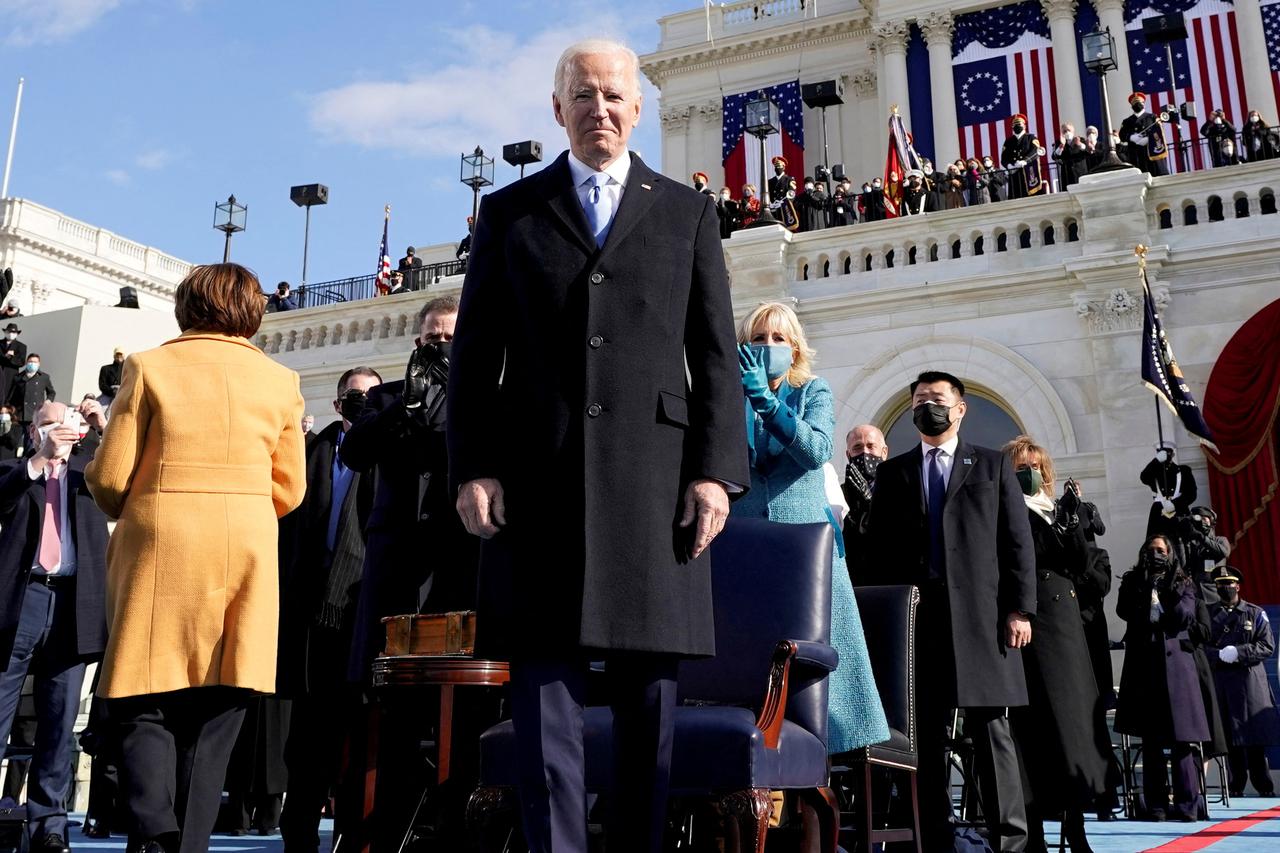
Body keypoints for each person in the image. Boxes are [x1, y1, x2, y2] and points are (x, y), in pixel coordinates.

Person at [446, 38, 748, 853]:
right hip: (536, 491)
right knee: (545, 715)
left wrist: (715, 473)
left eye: (614, 95)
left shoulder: (686, 212)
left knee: (650, 720)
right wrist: (474, 466)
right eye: (583, 95)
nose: (599, 109)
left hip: (656, 493)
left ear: (639, 107)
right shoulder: (510, 213)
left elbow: (716, 355)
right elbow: (473, 357)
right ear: (557, 109)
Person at [84, 263, 307, 853]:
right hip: (246, 546)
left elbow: (110, 478)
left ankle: (154, 828)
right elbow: (290, 489)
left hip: (161, 538)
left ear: (187, 306)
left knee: (144, 696)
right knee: (221, 705)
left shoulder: (149, 366)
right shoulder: (281, 380)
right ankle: (189, 843)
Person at [868, 371, 1036, 852]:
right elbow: (878, 554)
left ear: (960, 409)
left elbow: (1016, 542)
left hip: (984, 621)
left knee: (992, 733)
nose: (929, 406)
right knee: (924, 737)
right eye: (920, 399)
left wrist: (1020, 609)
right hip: (918, 625)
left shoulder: (991, 465)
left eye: (938, 398)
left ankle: (1010, 842)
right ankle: (934, 839)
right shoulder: (893, 473)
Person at [341, 296, 485, 850]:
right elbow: (355, 450)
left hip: (459, 567)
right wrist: (406, 407)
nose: (439, 347)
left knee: (461, 705)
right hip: (395, 571)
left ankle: (453, 827)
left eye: (450, 338)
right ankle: (379, 831)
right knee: (387, 704)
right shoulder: (388, 398)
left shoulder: (485, 394)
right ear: (416, 342)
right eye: (430, 339)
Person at [732, 302, 888, 756]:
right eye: (758, 338)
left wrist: (766, 402)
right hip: (744, 547)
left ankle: (824, 759)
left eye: (779, 338)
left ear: (795, 348)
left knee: (815, 658)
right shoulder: (728, 396)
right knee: (751, 660)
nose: (769, 346)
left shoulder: (813, 390)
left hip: (805, 551)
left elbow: (815, 451)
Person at [277, 365, 381, 853]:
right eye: (354, 397)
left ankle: (352, 836)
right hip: (309, 613)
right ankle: (298, 836)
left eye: (372, 397)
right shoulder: (310, 453)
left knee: (359, 734)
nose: (362, 404)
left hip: (362, 611)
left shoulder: (386, 453)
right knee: (308, 736)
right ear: (338, 405)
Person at [0, 398, 109, 853]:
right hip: (20, 601)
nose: (59, 431)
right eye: (49, 425)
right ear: (33, 432)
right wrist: (40, 460)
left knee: (59, 723)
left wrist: (104, 426)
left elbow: (126, 479)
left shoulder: (91, 475)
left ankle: (49, 824)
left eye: (66, 424)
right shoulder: (14, 470)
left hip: (71, 605)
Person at [1002, 436, 1113, 853]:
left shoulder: (1057, 510)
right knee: (1033, 731)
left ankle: (1077, 828)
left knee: (1074, 729)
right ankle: (1033, 833)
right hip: (1029, 627)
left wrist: (1073, 529)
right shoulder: (1005, 510)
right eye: (1020, 467)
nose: (1029, 473)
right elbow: (1018, 560)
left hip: (1067, 629)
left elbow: (1084, 568)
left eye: (1034, 466)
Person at [1114, 535, 1216, 821]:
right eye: (1151, 550)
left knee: (1182, 741)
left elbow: (1183, 616)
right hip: (1145, 669)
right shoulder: (1133, 581)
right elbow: (1124, 611)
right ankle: (1156, 806)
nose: (1156, 554)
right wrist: (1147, 587)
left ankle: (1187, 806)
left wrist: (1166, 593)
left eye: (1161, 550)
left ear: (1170, 554)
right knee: (1152, 741)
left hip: (1177, 670)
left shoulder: (1184, 582)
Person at [1206, 565, 1280, 797]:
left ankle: (1264, 788)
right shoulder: (1207, 613)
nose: (1225, 587)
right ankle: (1235, 787)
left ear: (1238, 586)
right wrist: (1217, 654)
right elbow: (1199, 646)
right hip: (1222, 682)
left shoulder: (1254, 613)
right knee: (1230, 740)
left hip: (1249, 683)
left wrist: (1239, 652)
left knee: (1255, 739)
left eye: (1229, 583)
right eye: (1221, 584)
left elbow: (1267, 646)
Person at [840, 424, 888, 584]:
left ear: (884, 452)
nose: (865, 453)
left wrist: (869, 502)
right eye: (857, 447)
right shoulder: (839, 495)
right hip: (853, 582)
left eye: (871, 446)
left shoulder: (898, 487)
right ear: (848, 455)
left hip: (887, 581)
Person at [1139, 444, 1197, 543]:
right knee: (1156, 542)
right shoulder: (1154, 472)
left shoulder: (1183, 471)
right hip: (1159, 512)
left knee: (1182, 543)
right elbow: (1144, 477)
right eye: (1161, 452)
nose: (1165, 455)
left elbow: (1191, 494)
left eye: (1167, 452)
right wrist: (1156, 461)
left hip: (1179, 511)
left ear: (1173, 454)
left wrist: (1174, 504)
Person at [9, 354, 56, 448]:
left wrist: (48, 401)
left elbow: (51, 392)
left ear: (39, 364)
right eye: (30, 362)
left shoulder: (44, 377)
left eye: (35, 362)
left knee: (30, 440)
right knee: (14, 440)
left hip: (35, 413)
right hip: (19, 414)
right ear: (27, 362)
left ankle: (27, 456)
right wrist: (10, 411)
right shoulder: (18, 377)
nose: (32, 364)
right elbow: (11, 396)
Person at [1119, 93, 1169, 177]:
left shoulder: (1152, 117)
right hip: (1136, 156)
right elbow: (1122, 135)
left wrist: (1149, 139)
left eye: (1140, 102)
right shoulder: (1127, 121)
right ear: (1132, 106)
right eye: (1135, 103)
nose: (1137, 105)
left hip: (1151, 154)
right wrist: (1131, 137)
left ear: (1144, 104)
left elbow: (1159, 132)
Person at [1002, 113, 1046, 199]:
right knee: (1016, 197)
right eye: (1014, 124)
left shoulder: (1031, 137)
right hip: (1014, 173)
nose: (1017, 126)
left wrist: (1025, 161)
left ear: (1024, 126)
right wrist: (1009, 165)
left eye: (1019, 124)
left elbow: (1035, 151)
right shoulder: (1008, 142)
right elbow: (1004, 158)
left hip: (1029, 172)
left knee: (1032, 197)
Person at [1052, 123, 1089, 188]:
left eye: (1069, 130)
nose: (1067, 132)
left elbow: (1087, 151)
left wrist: (1079, 144)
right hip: (1067, 175)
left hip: (1080, 173)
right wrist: (1061, 146)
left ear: (1073, 131)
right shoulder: (1059, 142)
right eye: (1064, 131)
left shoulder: (1081, 139)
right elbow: (1054, 156)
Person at [1, 322, 26, 408]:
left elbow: (21, 362)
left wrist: (12, 357)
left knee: (9, 398)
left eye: (13, 332)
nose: (11, 334)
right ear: (5, 332)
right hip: (0, 372)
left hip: (11, 376)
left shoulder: (21, 346)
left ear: (17, 334)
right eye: (9, 331)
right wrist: (5, 356)